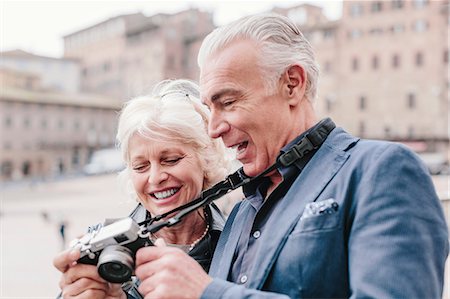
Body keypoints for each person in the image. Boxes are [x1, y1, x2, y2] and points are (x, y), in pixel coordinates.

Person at [115, 13, 448, 299]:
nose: (214, 128)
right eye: (209, 108)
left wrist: (208, 292)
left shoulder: (381, 171)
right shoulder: (239, 214)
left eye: (228, 102)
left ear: (292, 84)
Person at [53, 79, 238, 298]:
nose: (155, 177)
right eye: (140, 166)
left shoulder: (243, 239)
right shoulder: (102, 247)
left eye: (170, 160)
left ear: (205, 159)